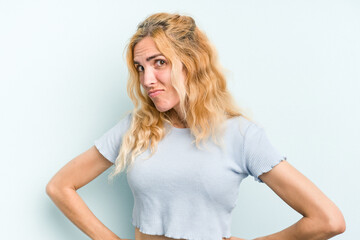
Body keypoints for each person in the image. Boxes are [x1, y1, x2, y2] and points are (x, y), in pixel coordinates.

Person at [46, 12, 346, 240]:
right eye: (140, 67)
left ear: (190, 63)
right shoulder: (135, 129)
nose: (146, 79)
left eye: (158, 62)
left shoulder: (241, 136)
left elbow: (328, 220)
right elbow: (60, 186)